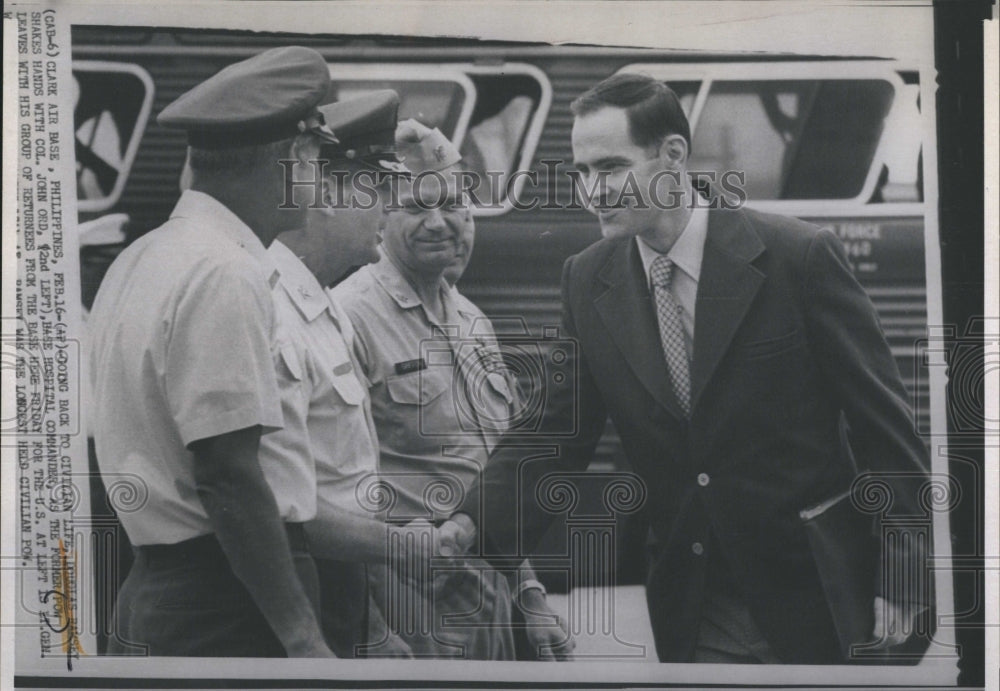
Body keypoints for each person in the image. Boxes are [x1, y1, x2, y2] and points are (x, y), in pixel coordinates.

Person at [448, 72, 931, 664]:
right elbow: (555, 432)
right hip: (697, 594)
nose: (592, 192)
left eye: (609, 167)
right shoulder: (588, 277)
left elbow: (887, 431)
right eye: (581, 173)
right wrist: (468, 528)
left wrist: (904, 576)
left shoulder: (797, 258)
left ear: (673, 155)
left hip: (818, 589)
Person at [88, 46, 341, 658]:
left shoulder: (141, 257)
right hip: (227, 603)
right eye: (318, 158)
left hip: (160, 587)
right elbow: (228, 473)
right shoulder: (225, 271)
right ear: (293, 158)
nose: (321, 182)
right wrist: (303, 636)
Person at [331, 121, 574, 661]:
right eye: (416, 208)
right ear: (380, 220)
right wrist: (373, 627)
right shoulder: (350, 318)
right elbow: (334, 490)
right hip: (409, 596)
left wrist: (530, 595)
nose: (439, 223)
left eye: (455, 205)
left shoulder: (470, 319)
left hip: (490, 593)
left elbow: (488, 469)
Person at [258, 90, 425, 658]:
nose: (391, 208)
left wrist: (373, 624)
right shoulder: (273, 311)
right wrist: (402, 546)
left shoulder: (322, 305)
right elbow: (280, 508)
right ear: (328, 192)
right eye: (380, 188)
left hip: (342, 588)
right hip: (299, 593)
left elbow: (342, 477)